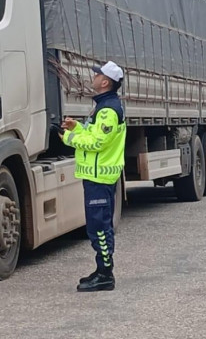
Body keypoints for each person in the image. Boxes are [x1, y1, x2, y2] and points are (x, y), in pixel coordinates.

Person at [60, 61, 127, 292]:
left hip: (100, 178)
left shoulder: (108, 110)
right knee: (97, 226)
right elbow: (92, 133)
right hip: (95, 176)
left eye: (97, 74)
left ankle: (106, 275)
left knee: (99, 227)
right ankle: (102, 270)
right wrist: (77, 127)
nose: (94, 76)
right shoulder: (102, 106)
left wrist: (67, 138)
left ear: (105, 82)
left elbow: (98, 142)